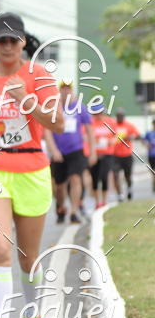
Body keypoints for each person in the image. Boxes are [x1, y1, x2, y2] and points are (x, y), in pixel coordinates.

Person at [0, 12, 63, 318]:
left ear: (23, 43)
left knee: (28, 258)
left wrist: (26, 99)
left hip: (31, 168)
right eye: (2, 40)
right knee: (0, 248)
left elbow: (58, 124)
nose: (8, 46)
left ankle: (32, 316)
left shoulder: (39, 76)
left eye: (14, 40)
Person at [50, 80, 96, 223]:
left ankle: (74, 211)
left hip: (76, 150)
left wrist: (92, 151)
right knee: (59, 185)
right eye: (63, 90)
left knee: (76, 179)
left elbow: (89, 131)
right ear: (59, 91)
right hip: (59, 151)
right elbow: (46, 130)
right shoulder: (54, 108)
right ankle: (61, 206)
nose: (66, 92)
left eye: (68, 90)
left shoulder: (80, 107)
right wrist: (53, 150)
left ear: (72, 91)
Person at [111, 108, 140, 201]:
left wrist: (130, 137)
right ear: (116, 116)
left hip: (127, 155)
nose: (120, 117)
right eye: (118, 115)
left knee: (127, 176)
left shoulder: (129, 126)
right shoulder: (113, 125)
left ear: (124, 116)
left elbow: (137, 135)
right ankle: (120, 194)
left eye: (121, 116)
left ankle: (129, 188)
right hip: (115, 155)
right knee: (115, 175)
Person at [91, 105, 116, 209]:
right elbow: (85, 136)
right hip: (94, 154)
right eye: (96, 113)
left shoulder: (110, 122)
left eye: (101, 113)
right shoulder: (90, 122)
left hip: (107, 154)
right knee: (95, 178)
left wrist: (112, 141)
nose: (99, 115)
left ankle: (104, 201)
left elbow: (116, 136)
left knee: (104, 177)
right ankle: (97, 202)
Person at [144, 118, 155, 193]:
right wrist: (147, 145)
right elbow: (144, 141)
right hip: (151, 155)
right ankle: (153, 185)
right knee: (153, 172)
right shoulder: (149, 133)